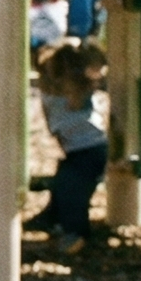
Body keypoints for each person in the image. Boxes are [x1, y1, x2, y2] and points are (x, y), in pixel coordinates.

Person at [28, 39, 110, 255]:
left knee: (72, 192)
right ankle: (52, 218)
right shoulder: (56, 85)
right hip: (81, 151)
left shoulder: (75, 88)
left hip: (91, 150)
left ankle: (76, 234)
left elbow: (83, 79)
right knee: (63, 183)